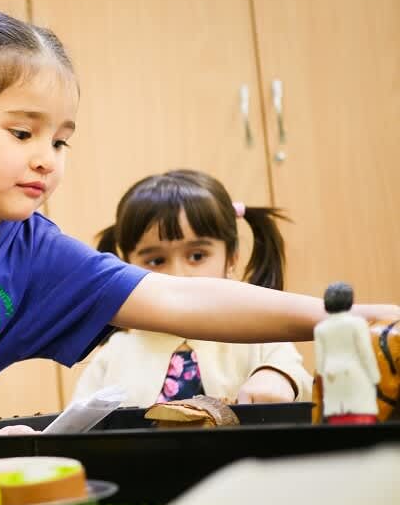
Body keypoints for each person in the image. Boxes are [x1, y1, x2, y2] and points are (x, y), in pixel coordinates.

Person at [0, 0, 398, 437]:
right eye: (23, 134)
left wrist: (345, 316)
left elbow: (178, 298)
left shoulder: (36, 252)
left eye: (61, 140)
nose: (47, 157)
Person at [74, 170, 312, 407]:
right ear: (126, 267)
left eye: (197, 256)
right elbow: (77, 426)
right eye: (156, 261)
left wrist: (277, 377)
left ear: (231, 259)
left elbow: (298, 378)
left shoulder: (260, 337)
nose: (178, 276)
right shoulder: (114, 355)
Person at [314, 282, 381, 424]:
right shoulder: (357, 323)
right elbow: (365, 353)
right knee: (360, 410)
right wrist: (375, 377)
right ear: (349, 301)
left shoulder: (320, 328)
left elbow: (320, 364)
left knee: (336, 413)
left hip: (331, 374)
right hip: (355, 371)